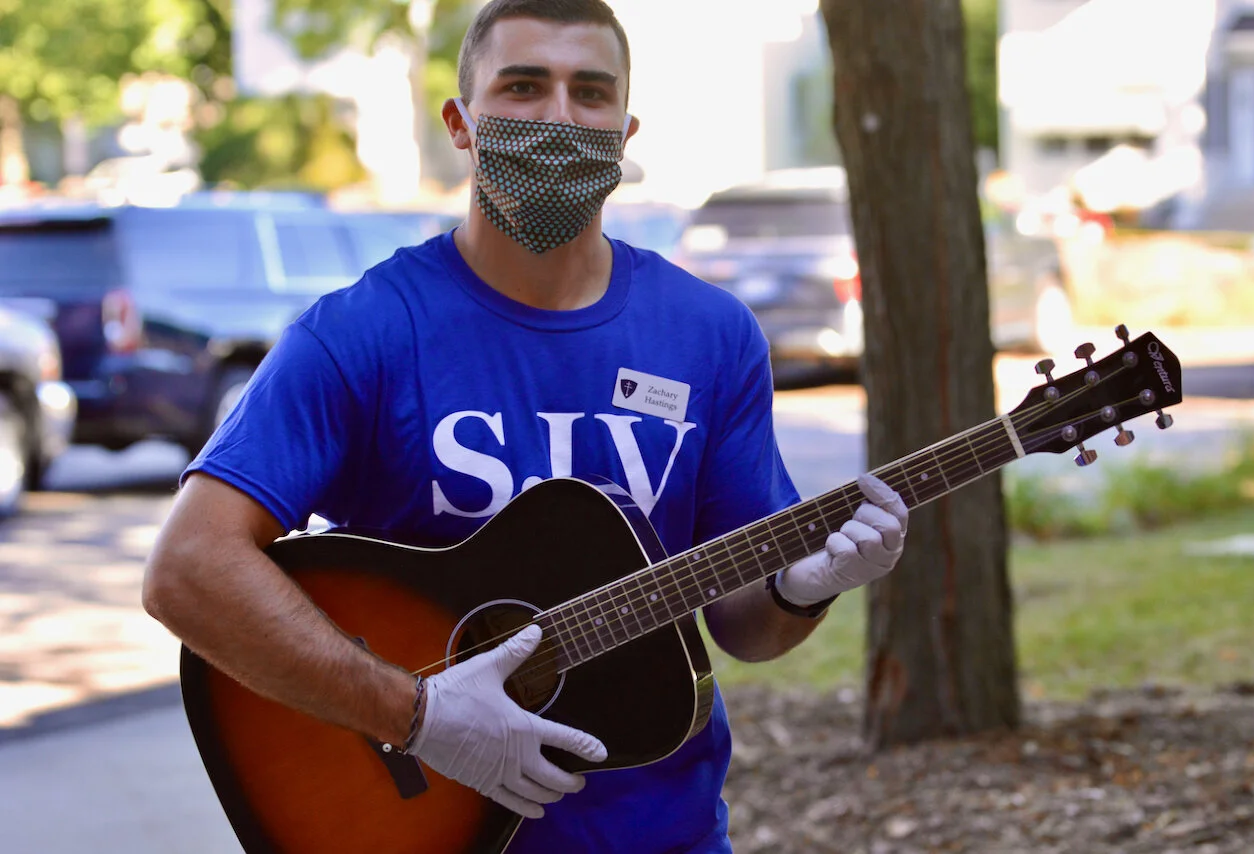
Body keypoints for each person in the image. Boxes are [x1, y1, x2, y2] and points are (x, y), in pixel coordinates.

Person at [142, 1, 909, 851]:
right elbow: (188, 571)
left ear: (625, 131)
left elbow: (744, 629)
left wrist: (803, 590)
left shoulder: (710, 334)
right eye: (522, 86)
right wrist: (418, 715)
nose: (558, 118)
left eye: (591, 92)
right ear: (461, 124)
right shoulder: (363, 333)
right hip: (424, 828)